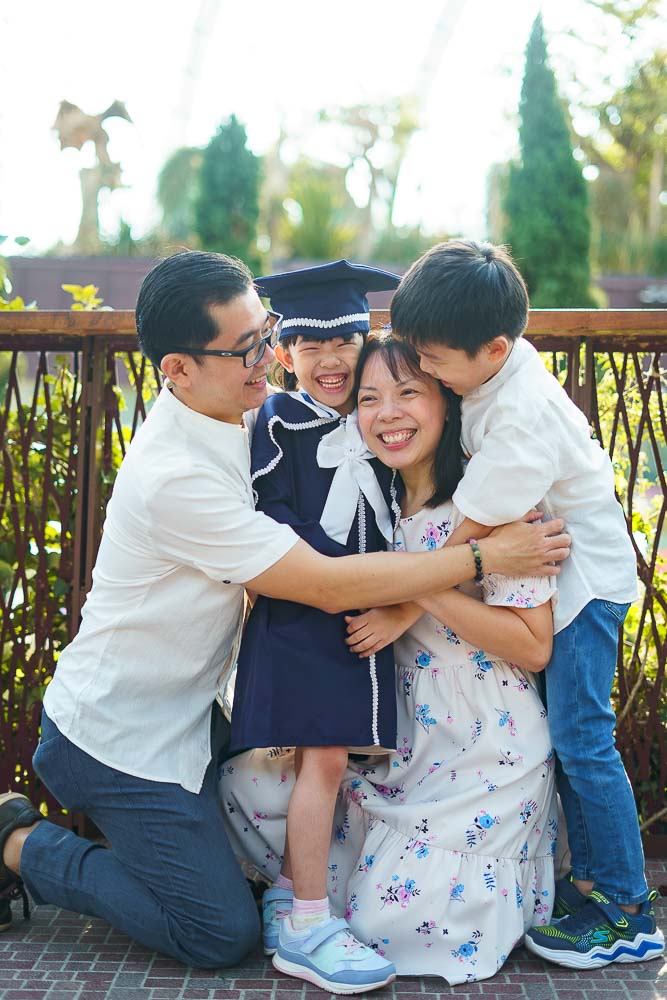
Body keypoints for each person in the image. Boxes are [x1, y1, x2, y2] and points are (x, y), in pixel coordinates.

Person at [0, 251, 570, 968]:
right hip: (119, 739)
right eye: (246, 348)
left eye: (266, 332)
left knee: (272, 825)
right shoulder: (176, 476)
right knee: (217, 933)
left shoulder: (246, 419)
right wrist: (486, 559)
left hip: (194, 723)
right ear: (176, 369)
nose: (269, 356)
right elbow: (327, 585)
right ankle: (22, 844)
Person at [221, 332, 560, 986]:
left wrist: (418, 586)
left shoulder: (490, 507)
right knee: (248, 788)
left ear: (446, 400)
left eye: (408, 393)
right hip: (393, 730)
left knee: (397, 924)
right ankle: (300, 905)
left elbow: (532, 645)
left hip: (482, 737)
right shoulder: (366, 504)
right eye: (368, 398)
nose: (387, 413)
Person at [389, 239, 664, 969]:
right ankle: (590, 884)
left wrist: (395, 593)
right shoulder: (496, 370)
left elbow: (463, 534)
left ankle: (627, 911)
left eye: (434, 360)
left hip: (582, 594)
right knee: (572, 740)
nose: (423, 372)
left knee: (581, 740)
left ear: (494, 347)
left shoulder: (521, 419)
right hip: (561, 586)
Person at [231, 261, 402, 994]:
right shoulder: (275, 421)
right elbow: (270, 520)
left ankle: (295, 897)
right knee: (323, 762)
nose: (329, 360)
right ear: (283, 352)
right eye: (309, 344)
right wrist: (349, 578)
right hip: (303, 620)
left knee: (345, 768)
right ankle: (306, 920)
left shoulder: (379, 417)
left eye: (345, 341)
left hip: (364, 624)